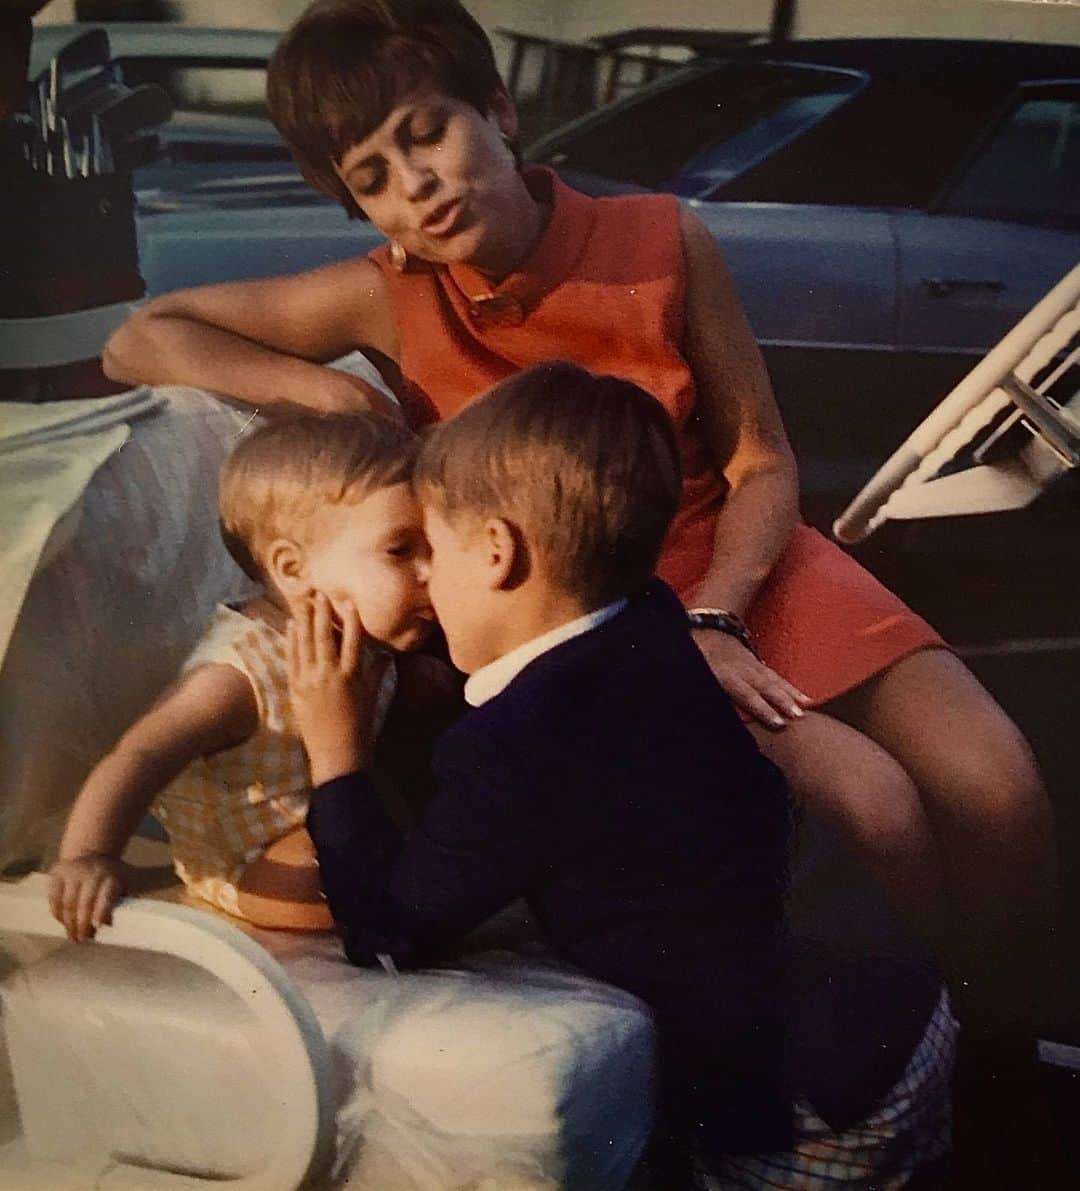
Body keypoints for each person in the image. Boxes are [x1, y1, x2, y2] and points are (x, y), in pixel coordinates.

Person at [100, 1, 1061, 1180]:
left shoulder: (662, 237)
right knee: (879, 809)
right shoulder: (389, 294)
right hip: (605, 618)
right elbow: (143, 337)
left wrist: (719, 608)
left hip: (748, 558)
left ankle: (998, 1060)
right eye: (375, 176)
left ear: (500, 113)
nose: (418, 185)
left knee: (1001, 789)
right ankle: (929, 1089)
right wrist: (335, 401)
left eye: (428, 133)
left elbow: (763, 458)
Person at [289, 361, 956, 1187]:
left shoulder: (514, 750)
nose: (421, 583)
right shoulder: (646, 615)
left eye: (428, 552)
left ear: (496, 551)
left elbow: (389, 931)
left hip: (808, 1103)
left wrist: (336, 752)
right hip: (902, 1010)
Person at [48, 411, 454, 938]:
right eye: (401, 550)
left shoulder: (370, 643)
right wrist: (90, 855)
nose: (429, 571)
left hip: (340, 818)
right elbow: (140, 755)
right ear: (291, 568)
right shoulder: (238, 675)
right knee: (328, 874)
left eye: (435, 548)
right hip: (258, 861)